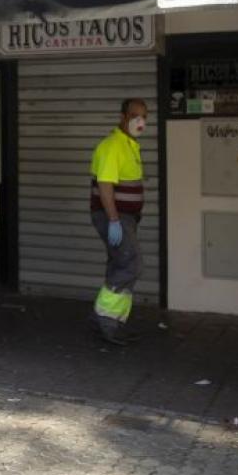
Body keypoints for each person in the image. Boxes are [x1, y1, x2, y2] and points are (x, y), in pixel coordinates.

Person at [89, 98, 147, 346]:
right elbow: (105, 185)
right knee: (129, 264)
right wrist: (113, 219)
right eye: (135, 115)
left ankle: (113, 323)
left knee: (119, 264)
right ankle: (105, 318)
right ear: (122, 116)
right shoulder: (113, 145)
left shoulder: (130, 145)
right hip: (115, 217)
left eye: (144, 116)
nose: (140, 121)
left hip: (126, 218)